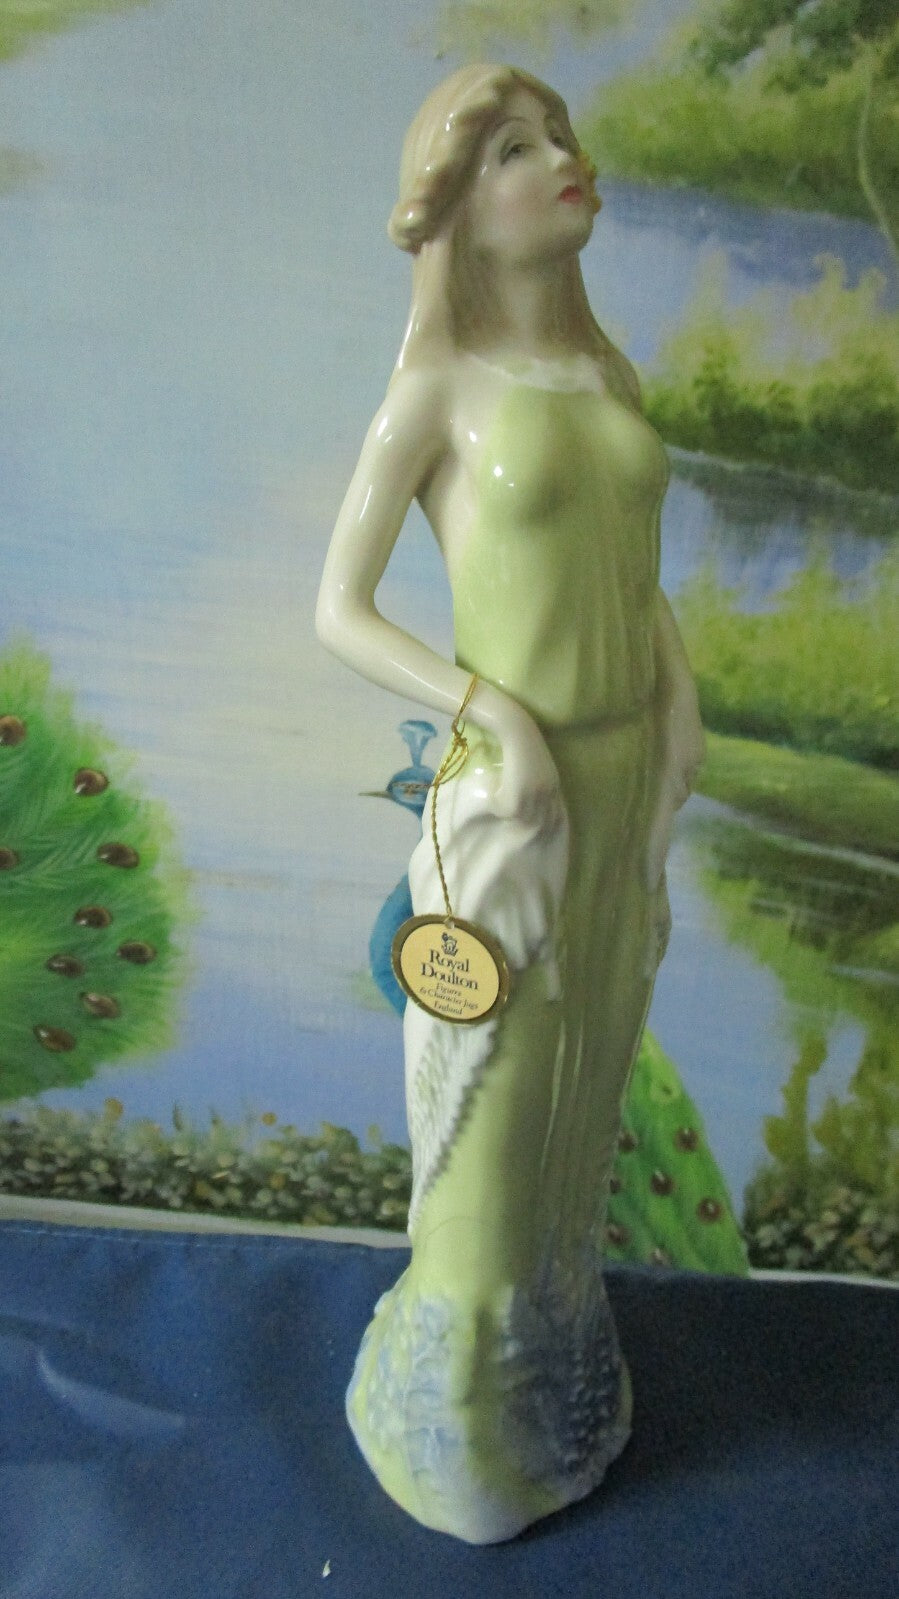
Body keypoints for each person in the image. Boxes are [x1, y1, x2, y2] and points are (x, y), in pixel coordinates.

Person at [315, 63, 705, 1544]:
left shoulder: (609, 379)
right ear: (458, 209)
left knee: (588, 1086)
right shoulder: (437, 394)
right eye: (515, 150)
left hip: (625, 780)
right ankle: (461, 1422)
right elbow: (341, 609)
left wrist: (678, 698)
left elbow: (636, 580)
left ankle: (560, 1385)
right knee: (490, 1097)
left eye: (561, 138)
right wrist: (489, 713)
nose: (561, 161)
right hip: (511, 803)